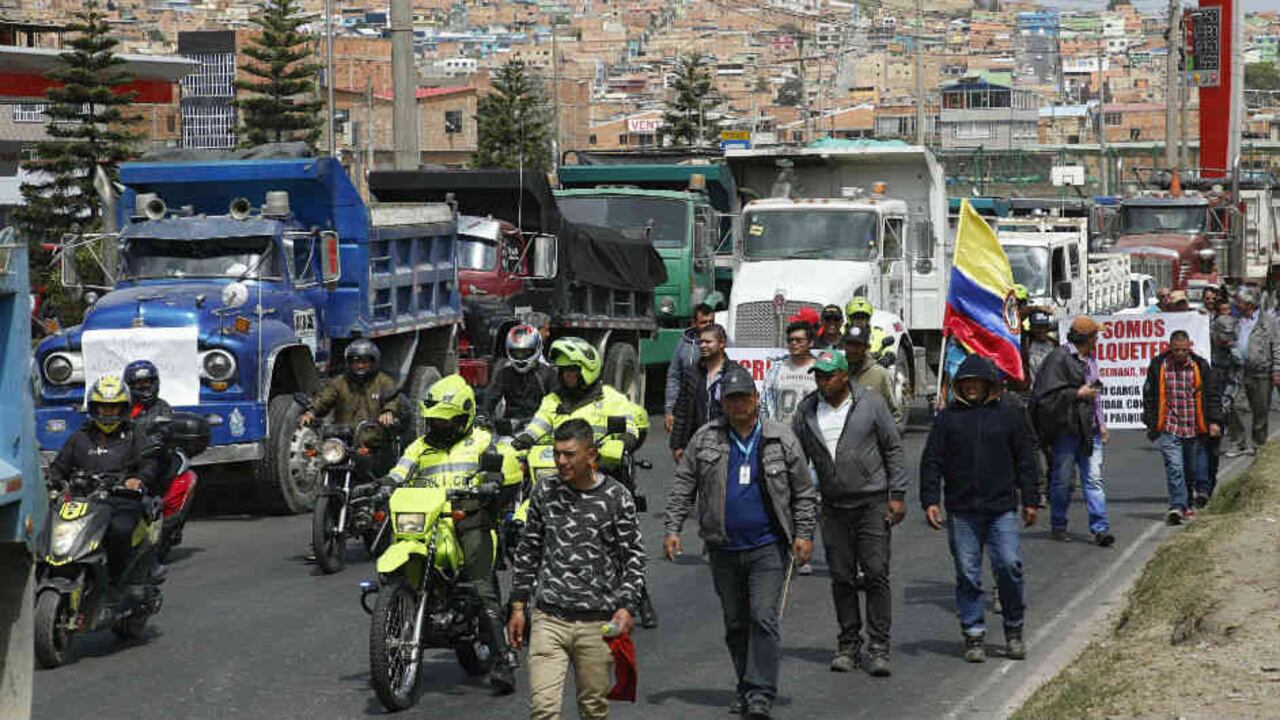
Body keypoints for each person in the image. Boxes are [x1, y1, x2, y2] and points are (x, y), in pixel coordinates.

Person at [664, 365, 817, 720]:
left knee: (763, 617)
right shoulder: (705, 438)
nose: (737, 405)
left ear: (755, 398)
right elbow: (683, 486)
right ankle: (745, 685)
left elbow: (804, 493)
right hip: (723, 547)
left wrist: (804, 534)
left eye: (743, 398)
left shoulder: (781, 438)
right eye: (730, 399)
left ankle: (761, 693)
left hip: (768, 547)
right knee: (736, 622)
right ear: (723, 402)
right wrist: (672, 528)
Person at [387, 374, 524, 694]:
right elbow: (399, 471)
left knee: (480, 586)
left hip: (470, 519)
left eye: (447, 421)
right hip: (429, 520)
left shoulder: (482, 441)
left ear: (464, 417)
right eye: (435, 420)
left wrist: (493, 481)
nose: (440, 426)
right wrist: (383, 486)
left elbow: (508, 468)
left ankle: (504, 661)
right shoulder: (421, 446)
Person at [507, 419, 647, 720]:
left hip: (598, 623)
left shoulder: (617, 497)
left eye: (569, 454)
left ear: (591, 456)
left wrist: (626, 607)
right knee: (543, 709)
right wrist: (518, 606)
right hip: (549, 619)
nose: (560, 461)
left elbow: (633, 556)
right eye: (557, 453)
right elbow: (529, 550)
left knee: (593, 709)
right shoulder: (545, 491)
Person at [511, 337, 655, 627]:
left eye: (572, 371)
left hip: (604, 475)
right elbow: (539, 424)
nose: (567, 376)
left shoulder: (610, 398)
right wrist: (523, 439)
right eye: (563, 371)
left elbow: (631, 424)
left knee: (618, 545)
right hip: (561, 475)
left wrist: (624, 440)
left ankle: (641, 599)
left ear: (587, 370)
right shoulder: (553, 400)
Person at [791, 349, 906, 677]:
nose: (823, 381)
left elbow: (893, 448)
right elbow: (796, 459)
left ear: (844, 375)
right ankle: (848, 645)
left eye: (829, 375)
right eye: (818, 375)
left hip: (871, 502)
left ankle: (879, 648)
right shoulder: (807, 410)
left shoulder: (870, 402)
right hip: (832, 505)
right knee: (841, 577)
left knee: (875, 572)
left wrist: (896, 495)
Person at [920, 355, 1038, 663]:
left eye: (977, 381)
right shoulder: (947, 419)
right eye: (965, 382)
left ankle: (1014, 630)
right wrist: (930, 500)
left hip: (1001, 508)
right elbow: (932, 461)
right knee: (968, 574)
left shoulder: (1010, 415)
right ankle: (973, 634)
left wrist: (1031, 498)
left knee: (1009, 566)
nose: (971, 387)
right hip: (962, 510)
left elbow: (1026, 458)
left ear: (989, 384)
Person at [47, 376, 163, 586]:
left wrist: (137, 479)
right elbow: (59, 467)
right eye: (103, 408)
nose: (108, 413)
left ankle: (117, 581)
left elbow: (150, 464)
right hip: (82, 499)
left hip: (121, 499)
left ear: (123, 409)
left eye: (113, 408)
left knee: (120, 530)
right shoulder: (80, 437)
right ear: (94, 409)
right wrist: (51, 480)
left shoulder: (133, 433)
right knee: (50, 528)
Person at [1031, 315, 1114, 547]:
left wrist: (1102, 423)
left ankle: (1101, 528)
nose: (1098, 340)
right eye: (1095, 336)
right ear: (1086, 338)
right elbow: (1045, 395)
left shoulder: (1091, 359)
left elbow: (1094, 393)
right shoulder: (1059, 358)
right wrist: (1077, 394)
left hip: (1090, 429)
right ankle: (1058, 523)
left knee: (1093, 480)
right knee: (1062, 481)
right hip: (1066, 429)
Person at [1143, 331, 1223, 523]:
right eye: (1176, 349)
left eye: (1184, 350)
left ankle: (1188, 502)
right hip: (1169, 426)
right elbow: (1149, 396)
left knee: (1191, 470)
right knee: (1175, 468)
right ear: (1170, 348)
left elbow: (1211, 395)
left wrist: (1214, 421)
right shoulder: (1158, 366)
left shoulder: (1200, 366)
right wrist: (1151, 422)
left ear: (1190, 347)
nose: (1180, 353)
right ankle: (1177, 506)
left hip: (1194, 428)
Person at [300, 339, 402, 476]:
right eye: (355, 362)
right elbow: (324, 399)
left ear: (373, 362)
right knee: (322, 461)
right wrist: (311, 412)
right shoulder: (340, 382)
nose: (360, 365)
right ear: (349, 363)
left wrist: (388, 412)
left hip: (374, 443)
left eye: (364, 362)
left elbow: (393, 399)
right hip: (344, 441)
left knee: (381, 473)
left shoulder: (384, 382)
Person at [669, 323, 742, 463]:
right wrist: (677, 445)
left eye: (708, 342)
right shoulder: (692, 372)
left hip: (726, 447)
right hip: (696, 446)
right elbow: (682, 411)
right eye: (700, 342)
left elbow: (744, 413)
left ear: (722, 344)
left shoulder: (735, 373)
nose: (702, 345)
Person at [1225, 286, 1280, 457]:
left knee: (1260, 411)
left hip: (1262, 372)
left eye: (1239, 301)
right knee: (1235, 407)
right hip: (1241, 371)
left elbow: (1277, 347)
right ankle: (1239, 443)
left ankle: (1259, 444)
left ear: (1249, 303)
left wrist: (1277, 370)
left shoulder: (1267, 322)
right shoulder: (1235, 321)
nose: (1236, 304)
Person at [482, 324, 557, 422]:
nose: (521, 357)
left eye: (525, 352)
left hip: (540, 427)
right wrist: (483, 417)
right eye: (516, 352)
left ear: (536, 349)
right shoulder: (505, 373)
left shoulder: (548, 374)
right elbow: (490, 398)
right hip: (509, 428)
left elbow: (557, 404)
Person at [663, 303, 716, 433]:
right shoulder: (683, 344)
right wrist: (669, 410)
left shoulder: (724, 343)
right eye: (704, 322)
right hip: (688, 410)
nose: (708, 326)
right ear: (694, 323)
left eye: (711, 322)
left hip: (714, 412)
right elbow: (674, 377)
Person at [1207, 314, 1243, 493]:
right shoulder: (1201, 344)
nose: (1225, 341)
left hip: (1219, 400)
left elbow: (1234, 380)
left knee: (1213, 445)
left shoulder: (1234, 354)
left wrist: (1226, 401)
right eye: (1223, 336)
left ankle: (1208, 487)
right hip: (1198, 399)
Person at [761, 320, 817, 426]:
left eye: (799, 340)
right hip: (782, 433)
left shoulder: (820, 369)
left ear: (811, 343)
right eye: (790, 340)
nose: (794, 343)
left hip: (810, 433)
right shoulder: (776, 369)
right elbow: (765, 403)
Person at [843, 324, 900, 425]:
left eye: (858, 345)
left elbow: (894, 415)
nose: (853, 350)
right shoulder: (837, 372)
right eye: (849, 344)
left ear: (866, 347)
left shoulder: (879, 374)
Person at [124, 359, 173, 449]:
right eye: (139, 384)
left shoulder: (162, 406)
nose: (144, 387)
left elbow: (165, 432)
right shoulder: (123, 408)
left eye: (147, 382)